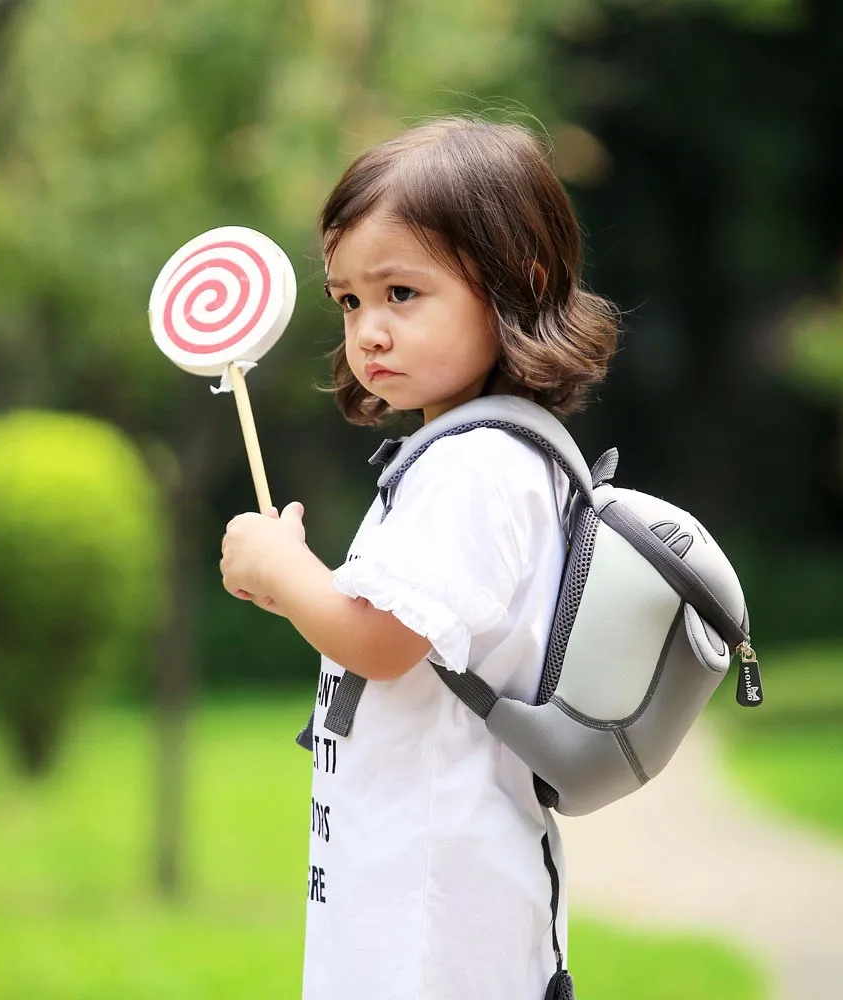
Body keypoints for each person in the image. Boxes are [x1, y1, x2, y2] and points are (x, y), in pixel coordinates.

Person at [219, 116, 620, 1000]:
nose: (368, 331)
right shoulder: (475, 454)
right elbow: (403, 637)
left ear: (520, 285)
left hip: (437, 910)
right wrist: (299, 592)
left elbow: (385, 644)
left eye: (402, 292)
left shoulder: (477, 467)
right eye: (349, 300)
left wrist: (285, 570)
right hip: (411, 880)